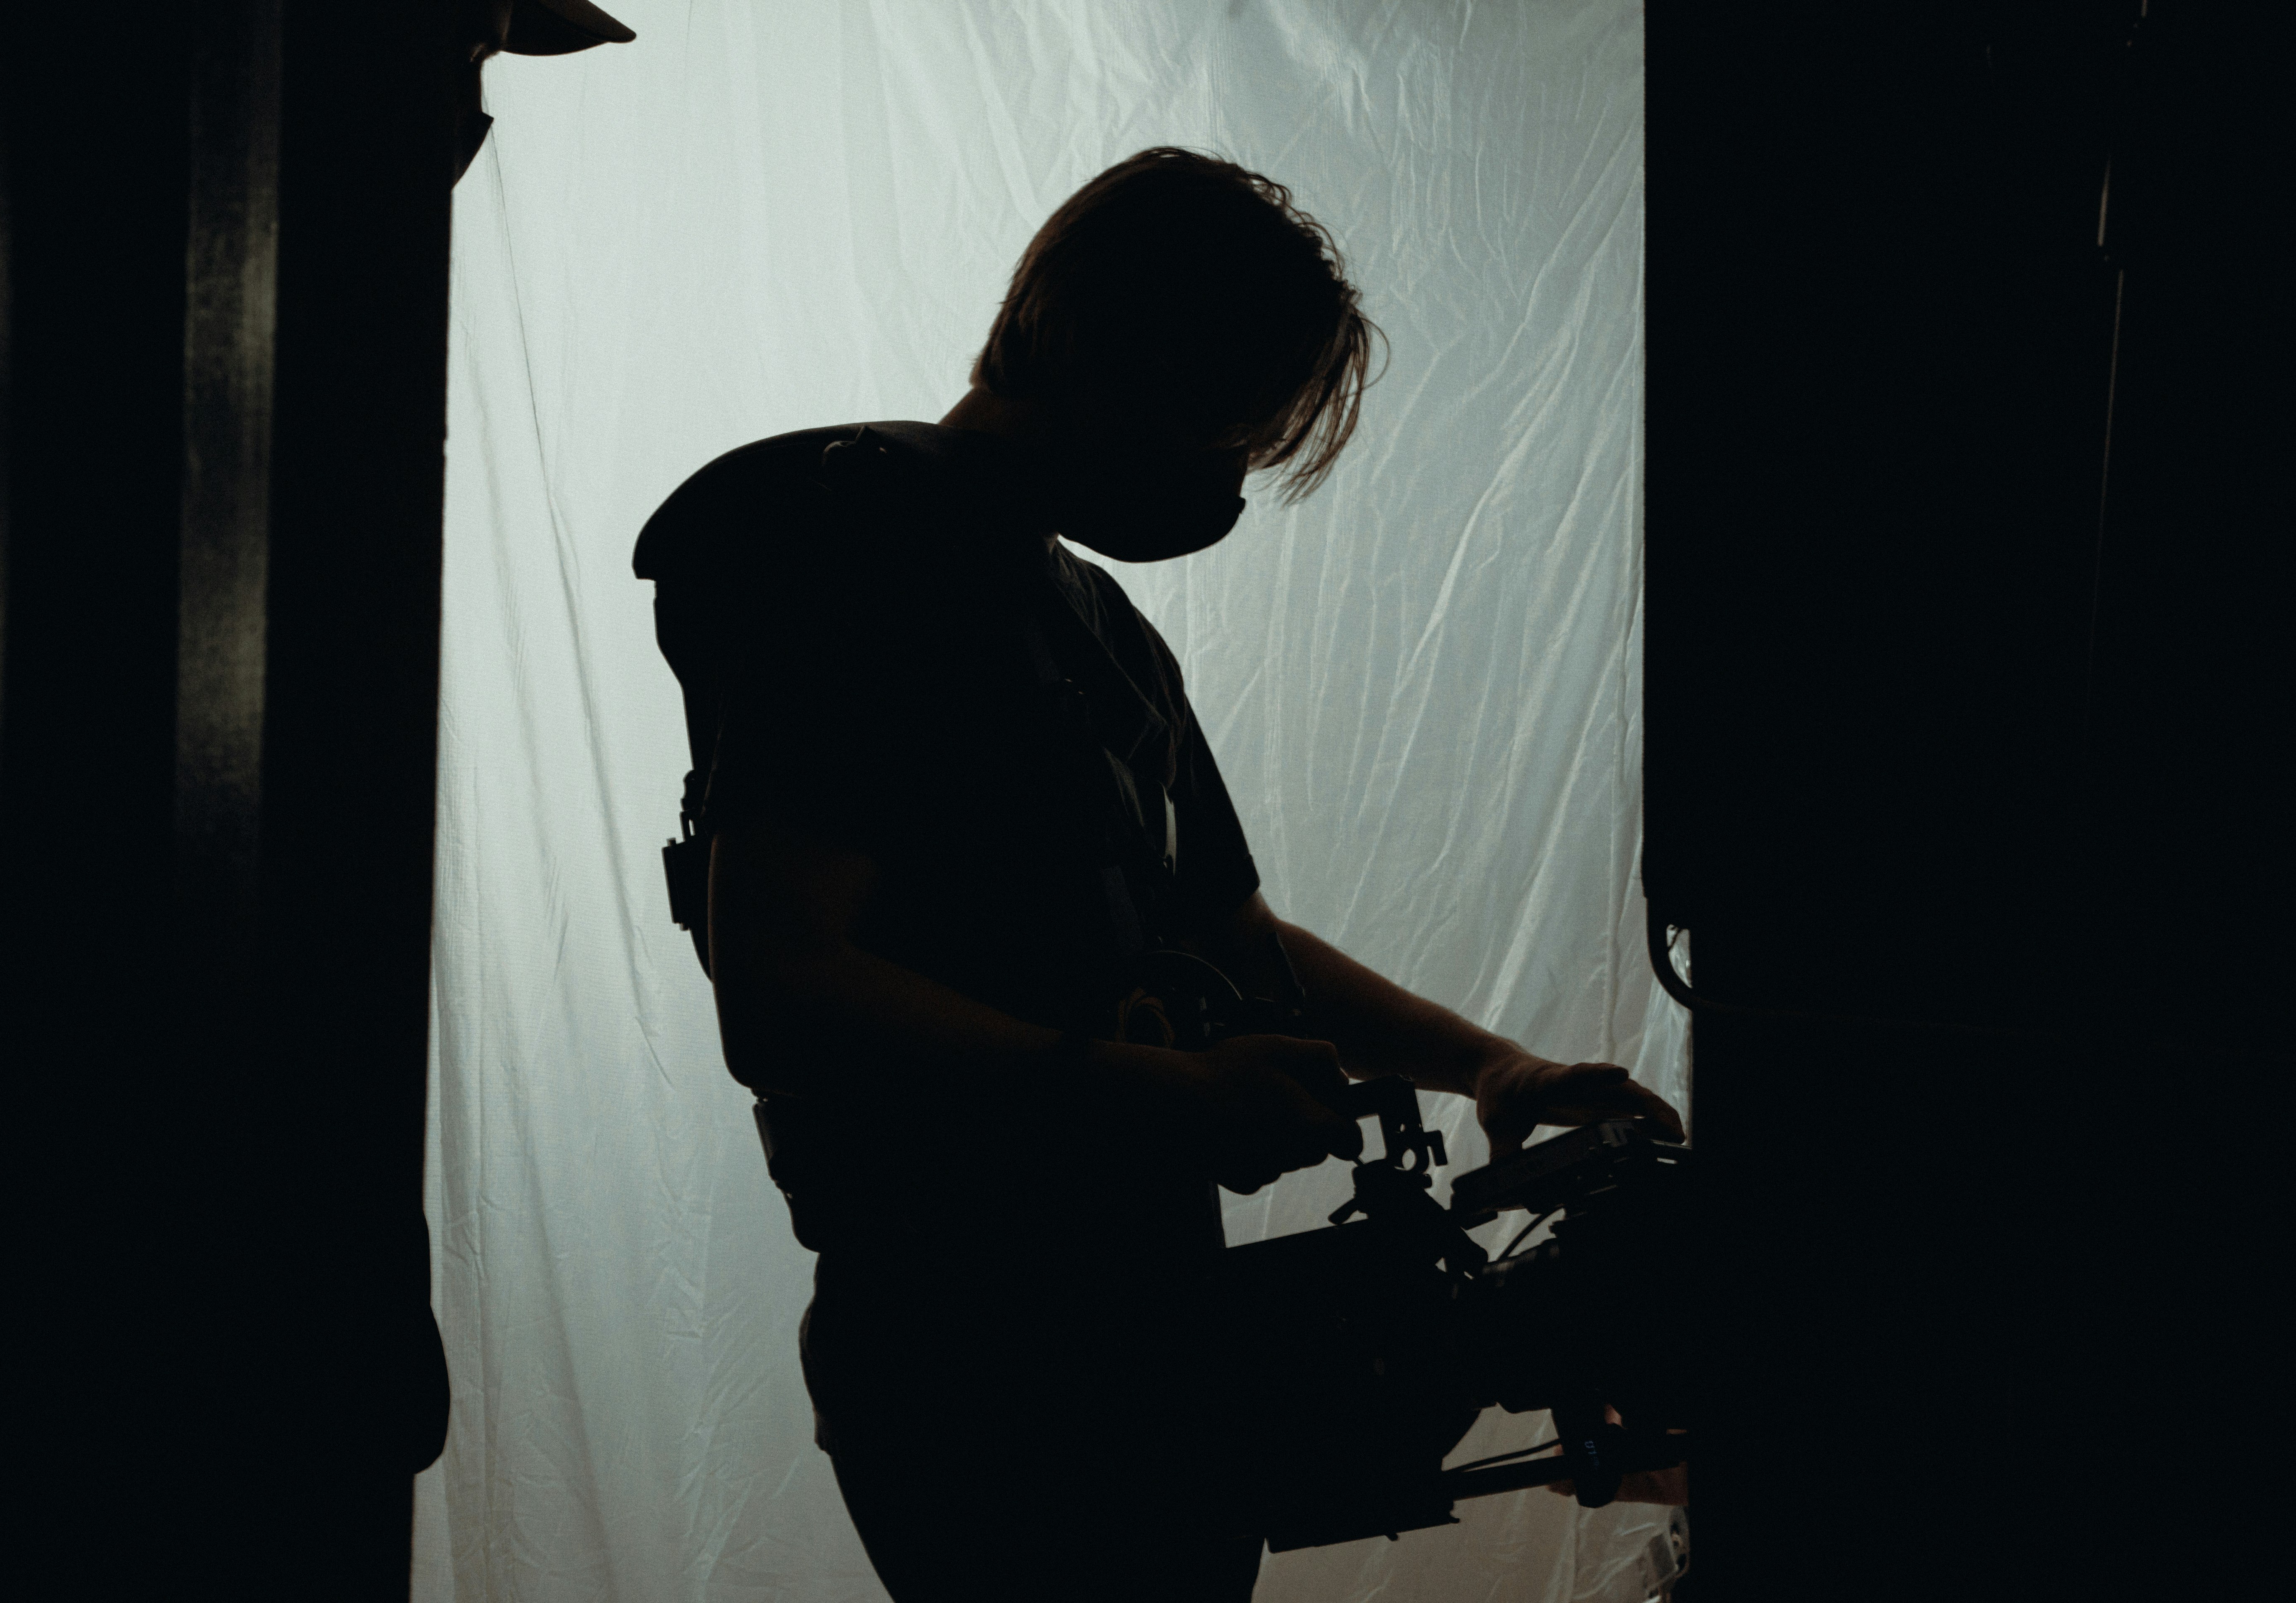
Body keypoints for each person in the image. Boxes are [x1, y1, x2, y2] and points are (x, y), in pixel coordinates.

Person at [632, 147, 1684, 1603]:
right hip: (967, 1349)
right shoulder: (851, 539)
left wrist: (1495, 1069)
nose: (1232, 480)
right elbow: (784, 987)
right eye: (1226, 424)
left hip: (1141, 1323)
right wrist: (1151, 1094)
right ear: (1110, 354)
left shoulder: (1097, 627)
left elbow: (1233, 936)